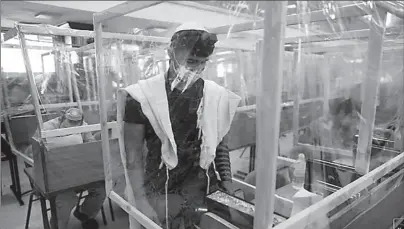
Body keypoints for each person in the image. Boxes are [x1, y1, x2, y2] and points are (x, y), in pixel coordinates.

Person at [119, 22, 241, 228]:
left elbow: (218, 143)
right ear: (170, 53)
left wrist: (227, 182)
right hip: (162, 190)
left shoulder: (214, 95)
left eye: (203, 63)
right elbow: (132, 157)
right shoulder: (141, 96)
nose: (196, 70)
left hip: (205, 185)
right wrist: (140, 200)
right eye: (191, 61)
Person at [26, 108, 105, 229]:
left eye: (76, 122)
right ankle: (57, 226)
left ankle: (84, 213)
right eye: (70, 122)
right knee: (67, 199)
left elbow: (90, 144)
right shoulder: (47, 128)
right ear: (62, 118)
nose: (73, 125)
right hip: (53, 172)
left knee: (101, 188)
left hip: (76, 168)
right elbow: (32, 153)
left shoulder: (83, 126)